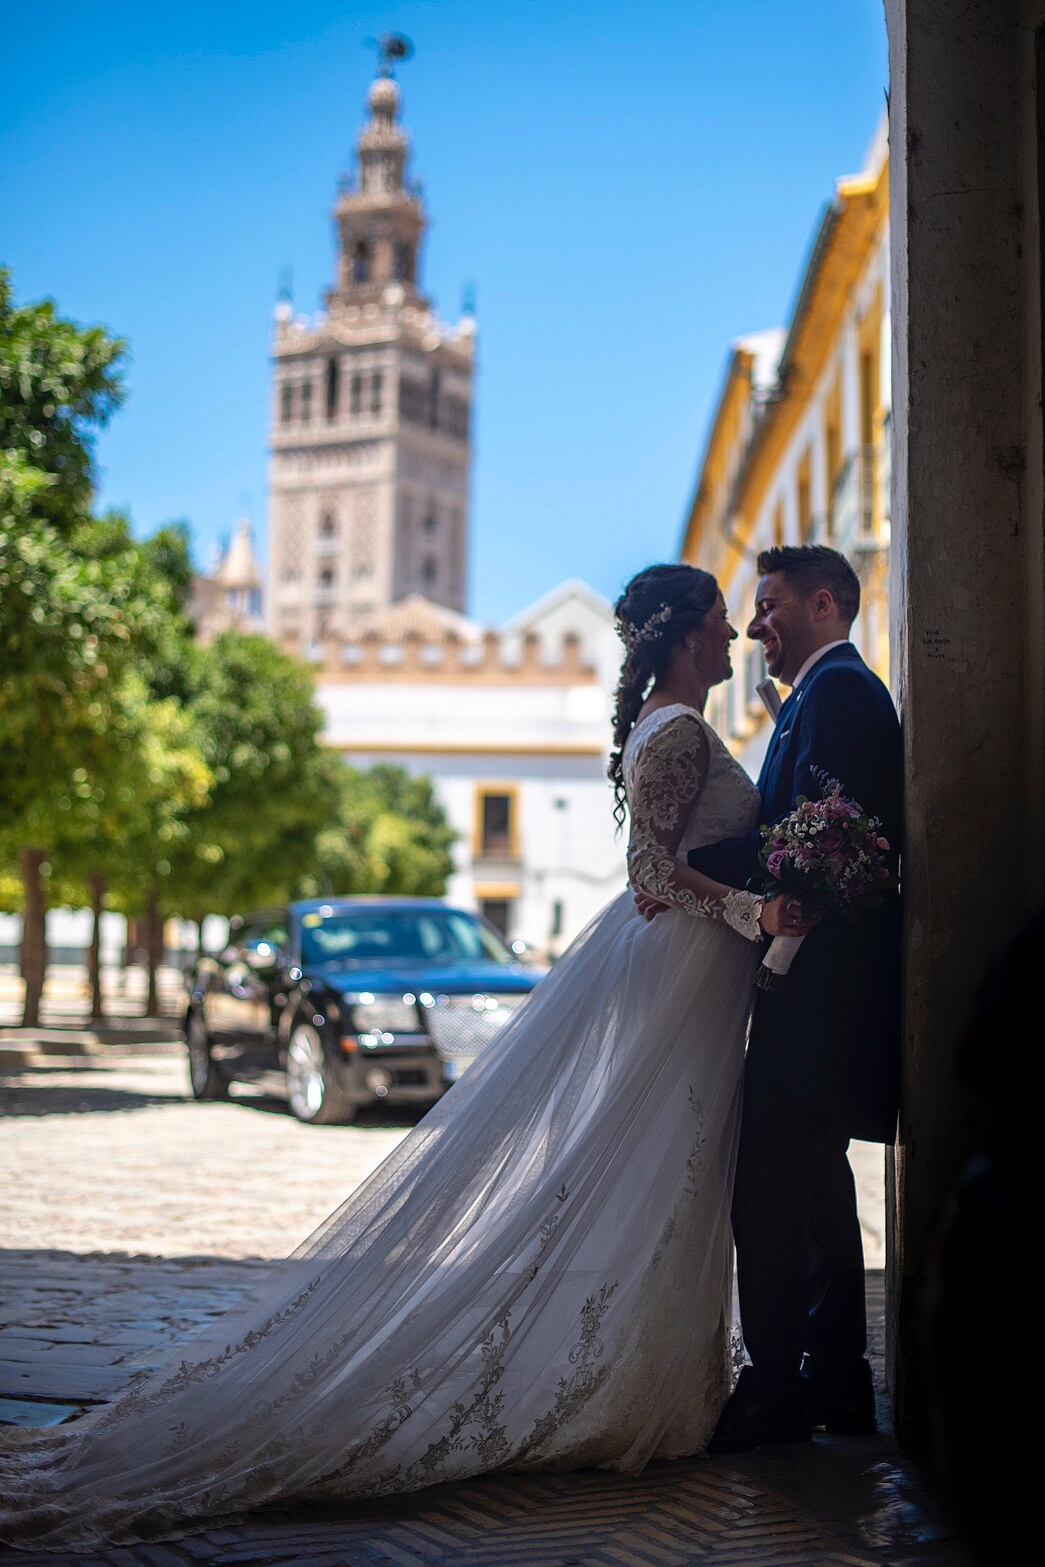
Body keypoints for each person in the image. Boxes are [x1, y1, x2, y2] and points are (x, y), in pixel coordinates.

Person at [0, 563, 809, 1552]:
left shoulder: (667, 722)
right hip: (684, 964)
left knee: (671, 1171)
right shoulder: (677, 728)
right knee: (663, 1168)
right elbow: (651, 873)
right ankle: (639, 1385)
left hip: (689, 971)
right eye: (723, 624)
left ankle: (658, 1373)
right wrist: (750, 908)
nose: (733, 640)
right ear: (686, 635)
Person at [680, 545, 902, 1447]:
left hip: (820, 998)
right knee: (809, 1194)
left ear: (823, 603)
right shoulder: (814, 695)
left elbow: (819, 845)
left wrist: (695, 869)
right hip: (807, 993)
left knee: (767, 1192)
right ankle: (834, 1381)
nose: (754, 625)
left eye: (767, 607)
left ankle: (777, 1386)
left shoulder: (840, 692)